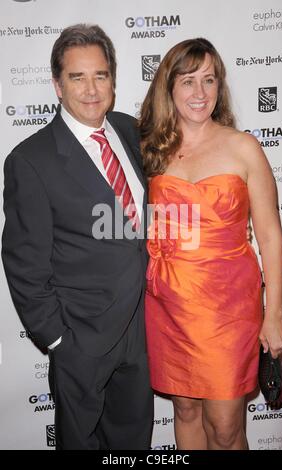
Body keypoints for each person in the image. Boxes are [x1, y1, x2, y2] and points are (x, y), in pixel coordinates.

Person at [2, 24, 153, 450]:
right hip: (80, 337)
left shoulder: (130, 130)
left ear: (113, 80)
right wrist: (58, 341)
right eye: (77, 77)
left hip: (141, 331)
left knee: (132, 444)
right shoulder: (31, 160)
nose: (91, 90)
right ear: (56, 84)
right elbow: (24, 265)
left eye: (100, 75)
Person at [139, 38, 282, 450]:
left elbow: (271, 238)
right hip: (167, 304)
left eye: (209, 80)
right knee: (185, 411)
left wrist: (274, 313)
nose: (200, 93)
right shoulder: (150, 151)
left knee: (225, 427)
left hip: (227, 309)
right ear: (168, 88)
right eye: (188, 82)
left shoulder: (244, 147)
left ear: (220, 87)